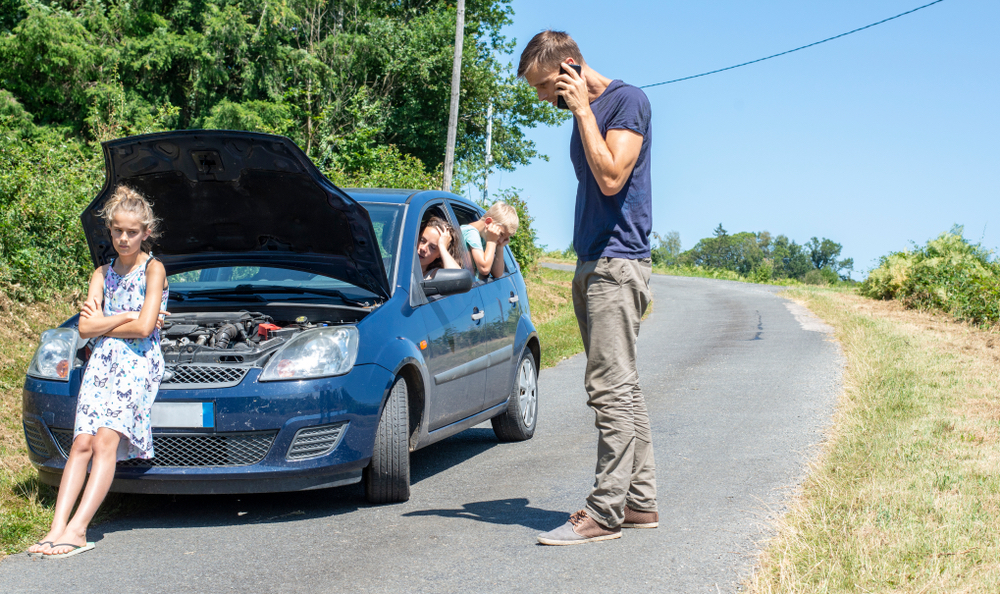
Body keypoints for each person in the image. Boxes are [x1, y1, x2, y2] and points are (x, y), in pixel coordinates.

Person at [521, 30, 657, 545]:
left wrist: (582, 112)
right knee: (624, 388)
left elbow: (611, 178)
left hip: (617, 265)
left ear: (571, 67)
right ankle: (640, 503)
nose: (541, 99)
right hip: (593, 261)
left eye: (544, 86)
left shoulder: (627, 101)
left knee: (610, 390)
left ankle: (604, 513)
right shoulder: (585, 115)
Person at [27, 186, 168, 559]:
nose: (124, 238)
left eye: (132, 232)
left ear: (146, 232)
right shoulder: (101, 273)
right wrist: (124, 316)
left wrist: (109, 320)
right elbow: (86, 330)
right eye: (117, 231)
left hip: (138, 363)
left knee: (105, 441)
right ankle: (56, 528)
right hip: (102, 363)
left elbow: (144, 330)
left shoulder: (154, 269)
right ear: (110, 230)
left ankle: (78, 529)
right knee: (81, 444)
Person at [460, 202, 519, 279]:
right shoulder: (470, 232)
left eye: (505, 238)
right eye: (500, 234)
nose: (500, 240)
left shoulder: (485, 238)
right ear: (488, 222)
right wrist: (492, 241)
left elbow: (497, 274)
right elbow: (484, 269)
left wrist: (500, 247)